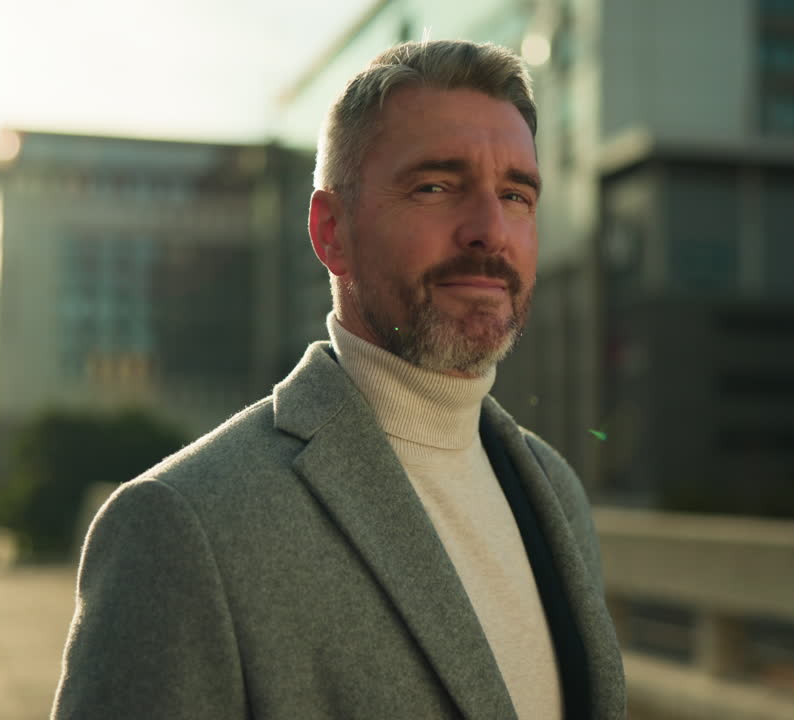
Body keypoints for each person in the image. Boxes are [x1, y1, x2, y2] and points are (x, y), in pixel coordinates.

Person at [52, 39, 626, 720]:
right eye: (436, 187)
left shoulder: (554, 490)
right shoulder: (181, 527)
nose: (489, 231)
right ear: (332, 233)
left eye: (515, 194)